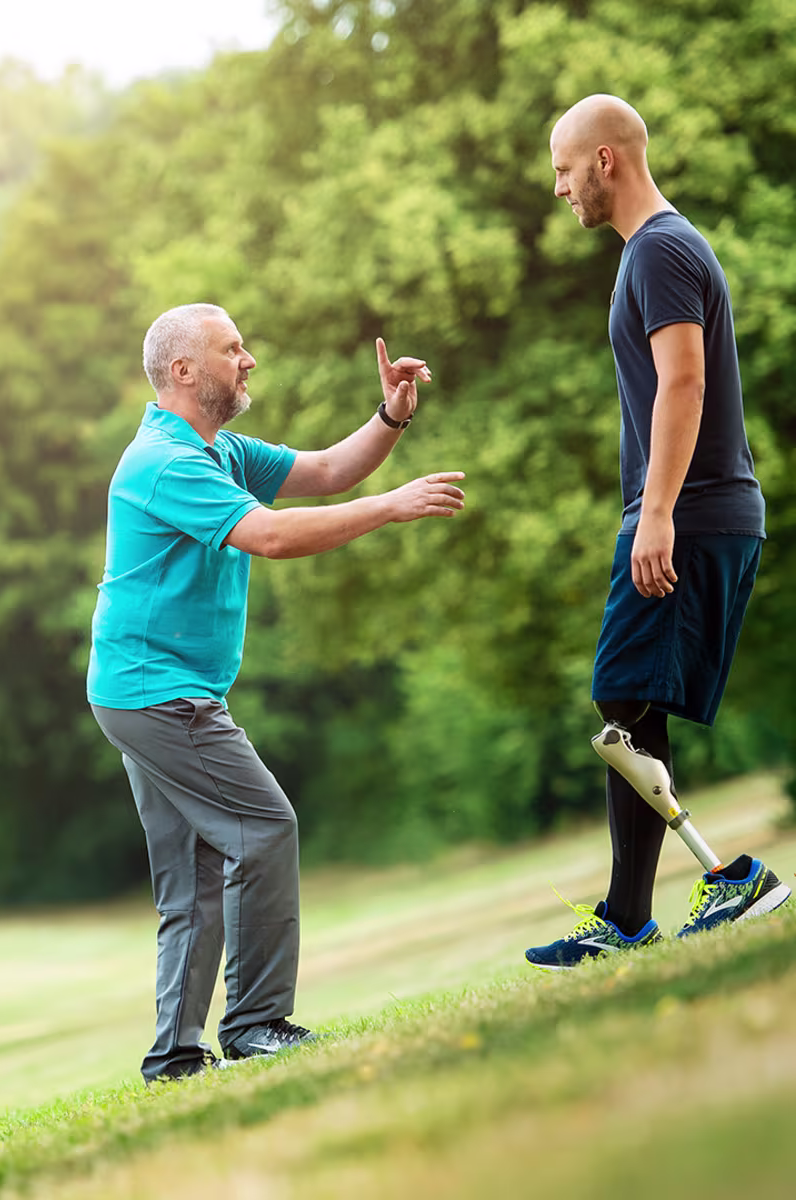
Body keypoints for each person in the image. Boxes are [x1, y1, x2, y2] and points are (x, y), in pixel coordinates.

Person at [88, 303, 466, 1079]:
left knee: (195, 873)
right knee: (264, 828)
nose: (250, 359)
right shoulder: (167, 462)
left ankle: (176, 1056)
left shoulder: (216, 450)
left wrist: (391, 415)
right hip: (159, 692)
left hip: (141, 689)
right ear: (185, 371)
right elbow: (271, 535)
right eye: (234, 349)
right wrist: (393, 507)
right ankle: (257, 1023)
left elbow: (326, 471)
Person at [526, 95, 789, 971]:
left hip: (693, 509)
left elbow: (685, 383)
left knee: (621, 700)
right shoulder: (653, 253)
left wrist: (660, 512)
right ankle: (635, 912)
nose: (558, 188)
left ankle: (707, 889)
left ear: (606, 159)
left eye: (565, 169)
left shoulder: (662, 251)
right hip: (690, 507)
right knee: (627, 700)